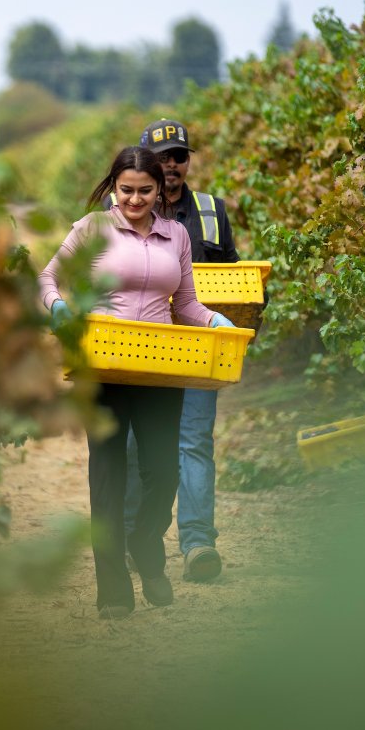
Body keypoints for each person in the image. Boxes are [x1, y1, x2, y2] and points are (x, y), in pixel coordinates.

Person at [38, 145, 235, 620]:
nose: (134, 200)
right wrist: (58, 307)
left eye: (144, 191)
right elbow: (48, 278)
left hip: (159, 367)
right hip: (101, 366)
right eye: (125, 190)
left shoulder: (176, 236)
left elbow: (185, 304)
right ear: (113, 187)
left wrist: (215, 322)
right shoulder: (92, 230)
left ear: (159, 190)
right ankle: (113, 588)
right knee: (107, 474)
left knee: (162, 471)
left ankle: (147, 546)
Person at [108, 119, 241, 584]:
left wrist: (228, 322)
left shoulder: (210, 211)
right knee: (130, 445)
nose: (171, 166)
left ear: (188, 162)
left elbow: (232, 281)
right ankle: (130, 542)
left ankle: (199, 544)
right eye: (162, 157)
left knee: (193, 442)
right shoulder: (120, 206)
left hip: (198, 348)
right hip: (137, 346)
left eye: (179, 156)